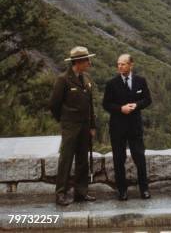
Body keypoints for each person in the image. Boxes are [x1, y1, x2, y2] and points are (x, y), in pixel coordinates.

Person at [50, 46, 97, 206]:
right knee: (66, 159)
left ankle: (81, 192)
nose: (89, 63)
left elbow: (90, 105)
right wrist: (65, 121)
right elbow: (55, 104)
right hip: (70, 126)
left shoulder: (87, 79)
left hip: (85, 126)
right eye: (87, 60)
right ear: (78, 62)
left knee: (83, 160)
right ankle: (60, 194)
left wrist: (92, 126)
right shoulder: (63, 79)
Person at [102, 54, 152, 201]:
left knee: (139, 158)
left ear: (131, 65)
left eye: (123, 64)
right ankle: (122, 191)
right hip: (117, 127)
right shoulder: (111, 83)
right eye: (118, 64)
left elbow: (147, 100)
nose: (120, 66)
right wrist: (120, 109)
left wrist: (137, 105)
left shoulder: (140, 81)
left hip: (135, 127)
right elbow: (106, 104)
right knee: (119, 159)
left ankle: (144, 189)